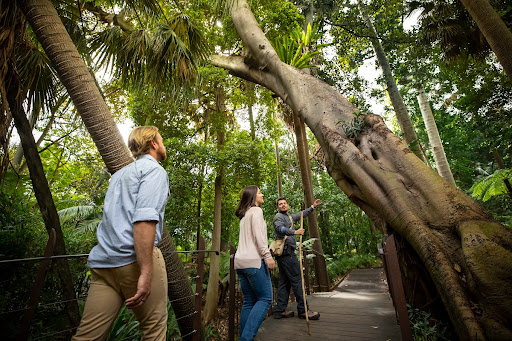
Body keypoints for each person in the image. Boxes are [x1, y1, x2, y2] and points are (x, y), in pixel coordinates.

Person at [72, 126, 170, 341]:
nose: (163, 145)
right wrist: (145, 271)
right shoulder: (154, 171)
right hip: (133, 262)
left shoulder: (119, 175)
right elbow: (144, 219)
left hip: (104, 265)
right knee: (154, 332)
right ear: (153, 143)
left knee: (87, 337)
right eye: (161, 141)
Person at [234, 186, 276, 341]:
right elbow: (259, 237)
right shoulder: (256, 211)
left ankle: (243, 337)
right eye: (259, 192)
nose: (262, 194)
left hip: (240, 263)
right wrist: (267, 256)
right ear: (252, 196)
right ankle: (246, 339)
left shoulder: (244, 215)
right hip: (253, 262)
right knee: (266, 299)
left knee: (249, 302)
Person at [272, 197, 321, 320]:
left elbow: (301, 214)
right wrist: (294, 232)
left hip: (285, 255)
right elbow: (279, 229)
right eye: (280, 204)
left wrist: (312, 207)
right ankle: (303, 310)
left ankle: (279, 310)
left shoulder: (289, 217)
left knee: (285, 282)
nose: (283, 205)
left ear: (287, 205)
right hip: (287, 254)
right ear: (277, 207)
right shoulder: (278, 217)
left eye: (284, 203)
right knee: (297, 280)